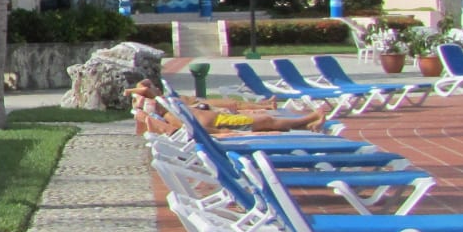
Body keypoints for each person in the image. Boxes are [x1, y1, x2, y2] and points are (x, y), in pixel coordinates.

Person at [129, 79, 330, 135]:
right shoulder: (170, 115)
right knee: (266, 121)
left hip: (219, 119)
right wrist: (222, 132)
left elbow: (144, 85)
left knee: (265, 122)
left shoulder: (167, 107)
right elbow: (198, 130)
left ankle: (307, 125)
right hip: (221, 123)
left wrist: (134, 94)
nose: (155, 91)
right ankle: (308, 119)